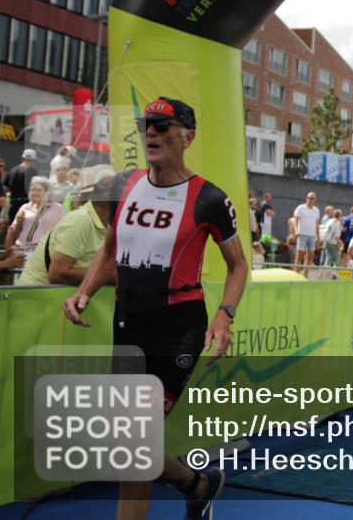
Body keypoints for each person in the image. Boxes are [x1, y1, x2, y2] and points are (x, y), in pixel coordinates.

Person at [62, 97, 247, 520]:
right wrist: (85, 291)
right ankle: (198, 484)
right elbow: (111, 248)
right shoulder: (126, 184)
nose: (151, 133)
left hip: (178, 324)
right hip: (129, 322)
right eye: (147, 124)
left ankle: (196, 487)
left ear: (188, 136)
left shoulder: (209, 198)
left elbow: (238, 266)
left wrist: (224, 315)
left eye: (163, 126)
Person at [18, 166, 115, 286]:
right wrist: (109, 275)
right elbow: (58, 274)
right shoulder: (80, 221)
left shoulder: (105, 222)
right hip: (38, 300)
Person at [5, 176, 64, 256]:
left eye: (39, 190)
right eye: (32, 190)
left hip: (43, 250)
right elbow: (14, 233)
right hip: (22, 249)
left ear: (47, 192)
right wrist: (19, 221)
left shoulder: (57, 208)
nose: (34, 192)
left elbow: (64, 231)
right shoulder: (24, 207)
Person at [292, 191, 321, 276]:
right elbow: (295, 220)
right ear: (306, 198)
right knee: (299, 255)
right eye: (308, 198)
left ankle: (305, 274)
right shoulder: (300, 208)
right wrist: (296, 231)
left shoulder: (316, 210)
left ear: (315, 200)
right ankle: (295, 275)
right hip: (302, 234)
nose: (309, 200)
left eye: (312, 198)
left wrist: (318, 237)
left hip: (312, 236)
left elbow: (317, 224)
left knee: (310, 256)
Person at [6, 148, 38, 220]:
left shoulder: (12, 170)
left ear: (22, 158)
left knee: (12, 228)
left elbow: (6, 188)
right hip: (28, 207)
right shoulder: (33, 172)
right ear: (34, 160)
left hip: (13, 206)